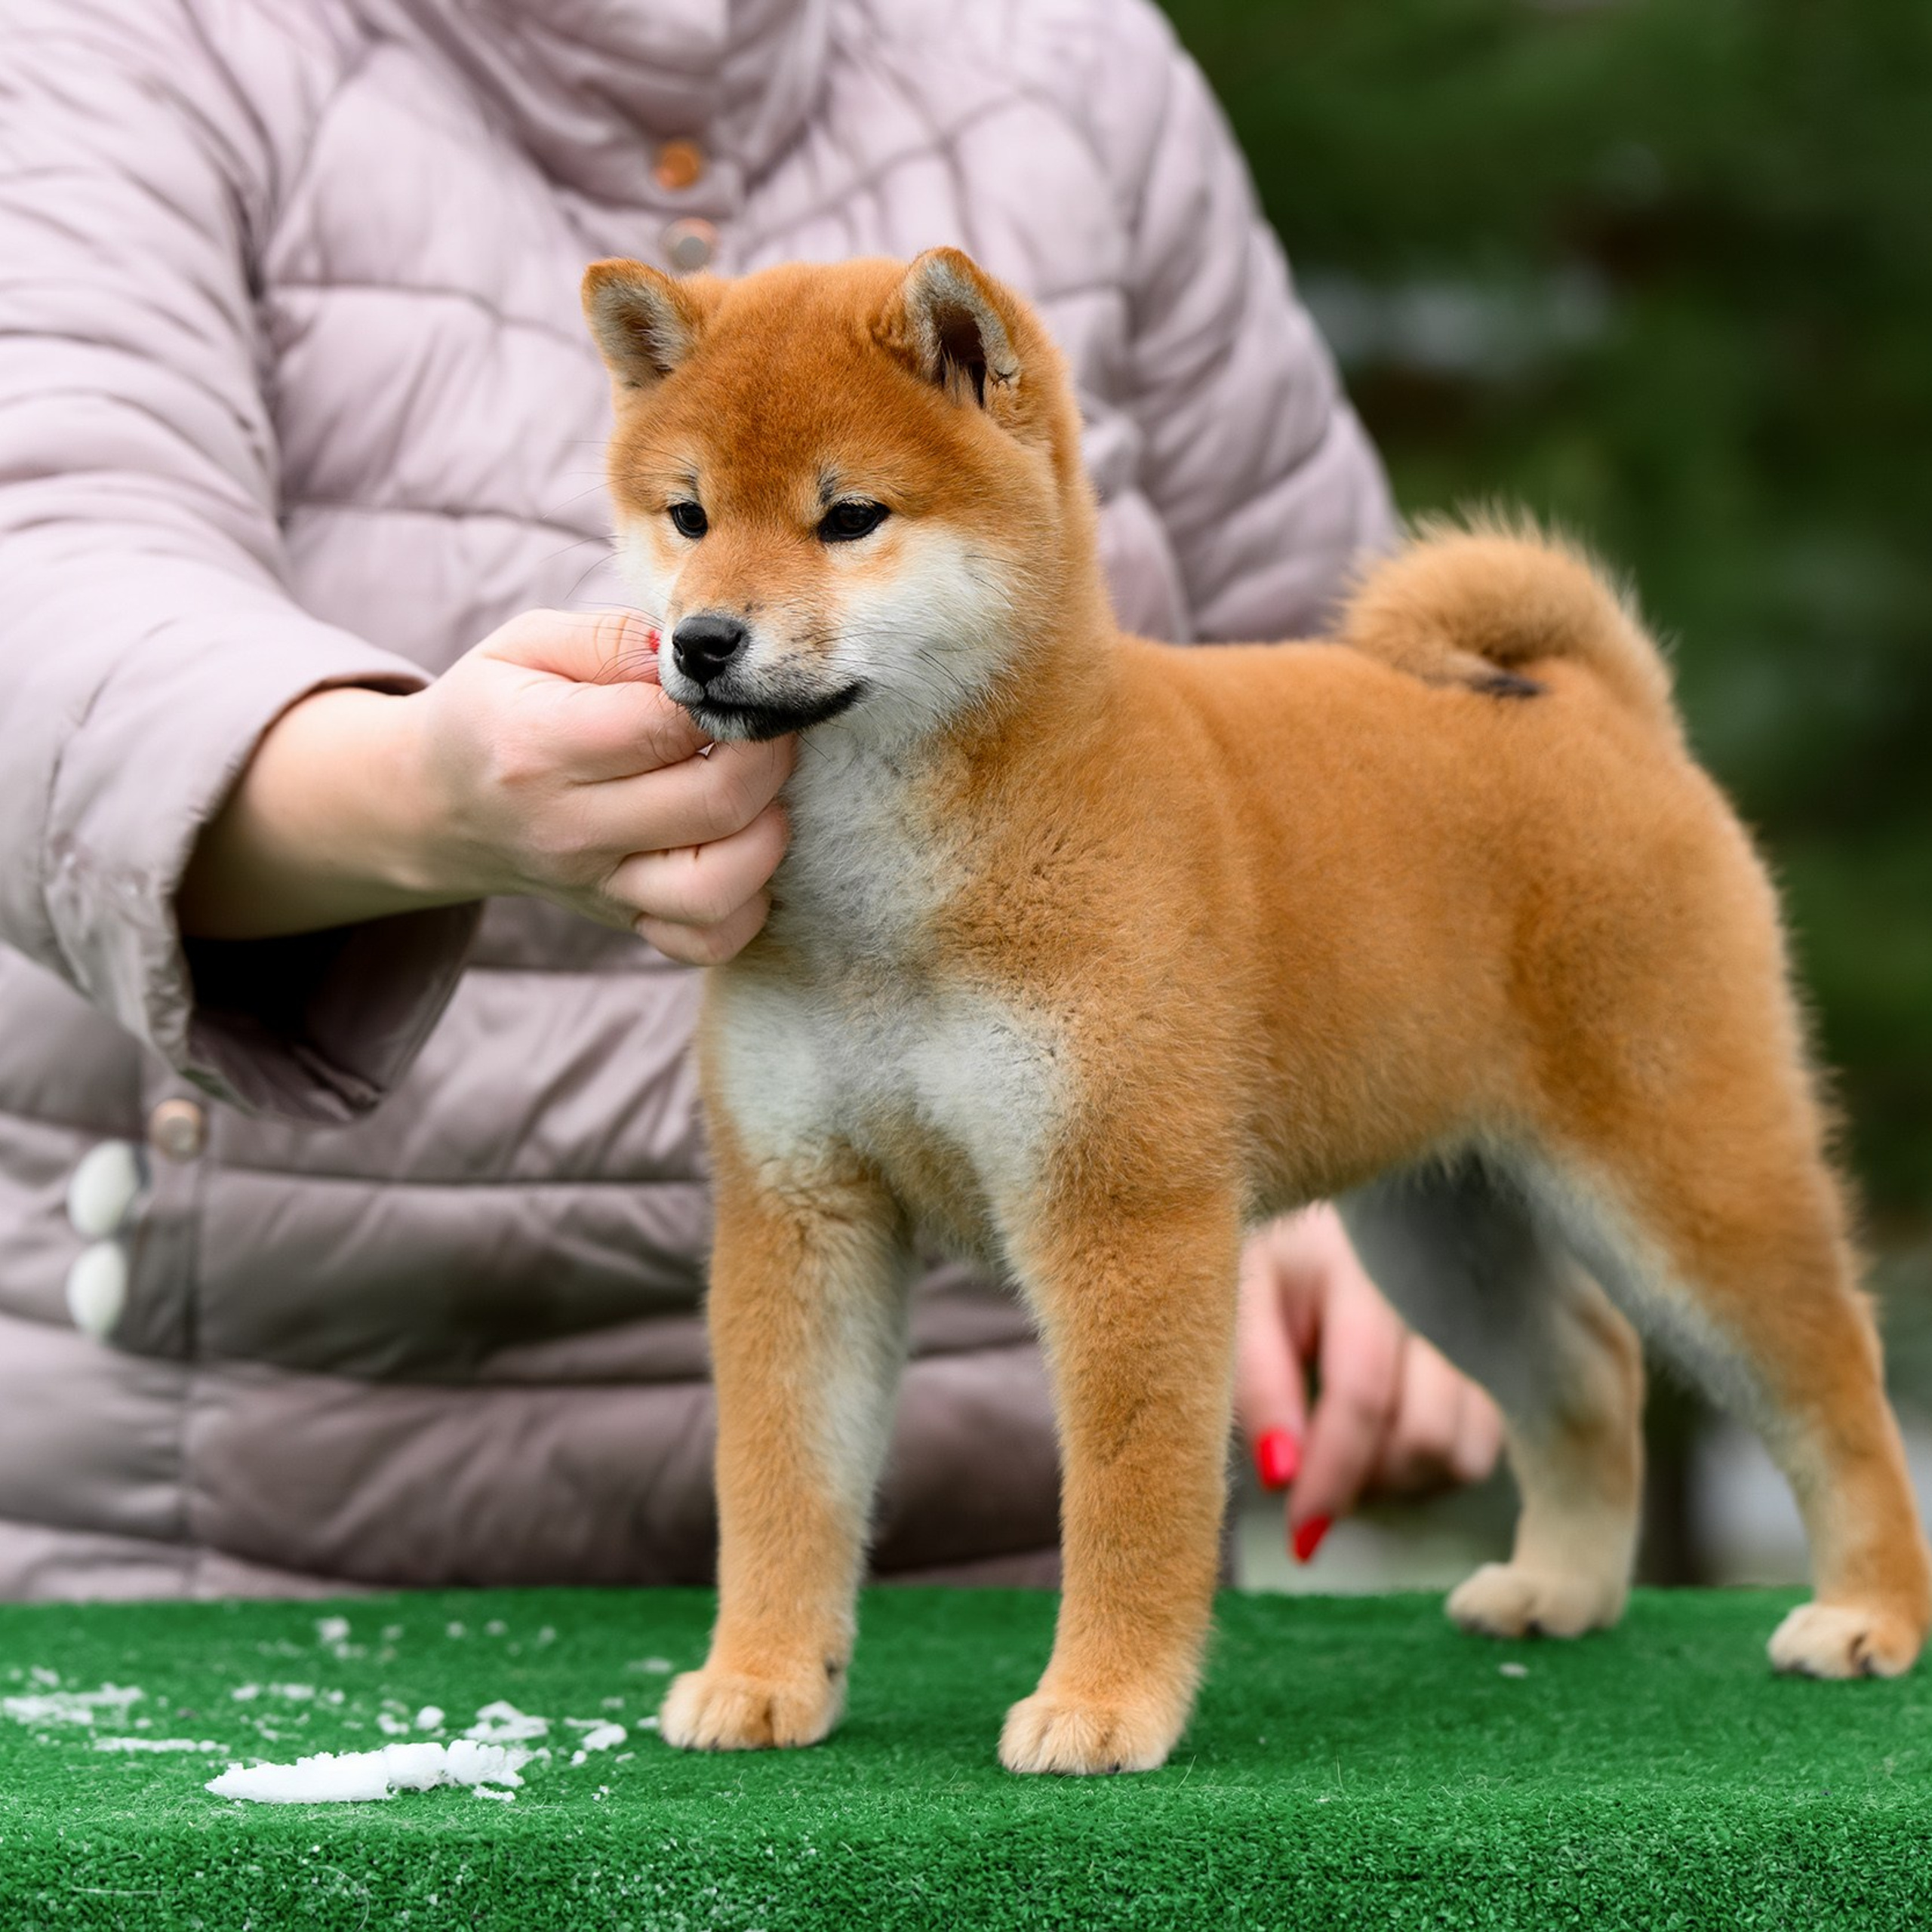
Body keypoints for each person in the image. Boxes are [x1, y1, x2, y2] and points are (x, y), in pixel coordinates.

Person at [0, 0, 1497, 1598]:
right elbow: (52, 569)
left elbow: (1328, 691)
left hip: (1000, 1529)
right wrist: (412, 797)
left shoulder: (1073, 60)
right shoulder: (139, 38)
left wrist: (1333, 1146)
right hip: (240, 1503)